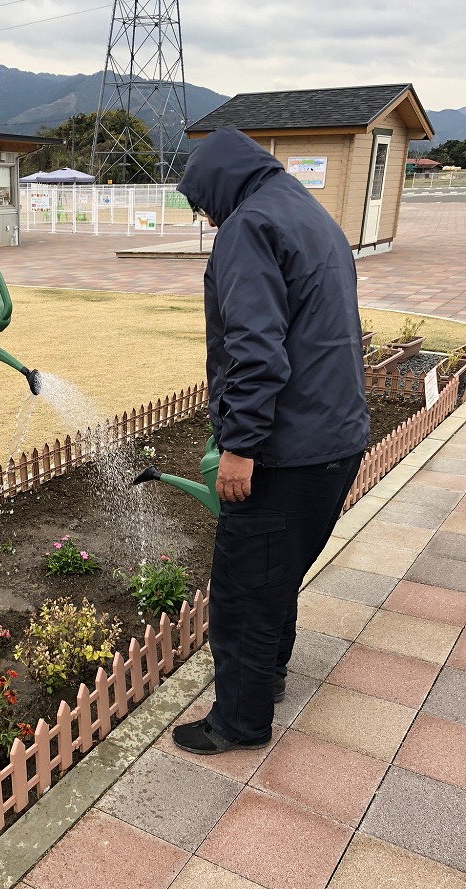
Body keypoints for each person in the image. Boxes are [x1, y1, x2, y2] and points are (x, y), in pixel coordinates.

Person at [172, 127, 370, 755]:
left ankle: (240, 721)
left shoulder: (249, 227)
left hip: (288, 448)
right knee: (276, 577)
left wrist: (239, 445)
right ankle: (268, 681)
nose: (205, 215)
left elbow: (255, 352)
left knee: (244, 591)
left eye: (201, 202)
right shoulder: (309, 214)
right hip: (336, 438)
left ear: (220, 184)